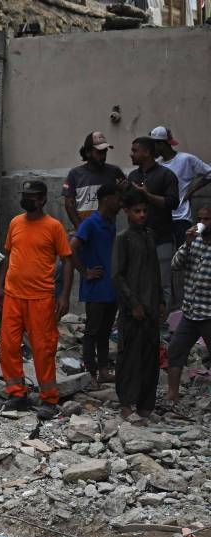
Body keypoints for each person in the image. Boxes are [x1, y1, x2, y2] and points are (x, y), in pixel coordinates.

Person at [0, 180, 73, 420]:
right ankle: (17, 394)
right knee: (8, 346)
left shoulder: (54, 227)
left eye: (32, 196)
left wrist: (64, 296)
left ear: (42, 199)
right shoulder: (15, 223)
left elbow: (67, 261)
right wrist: (0, 287)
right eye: (24, 195)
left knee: (43, 348)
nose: (27, 199)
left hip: (41, 298)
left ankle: (49, 398)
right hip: (13, 296)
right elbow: (9, 256)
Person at [112, 189, 163, 418]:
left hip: (151, 306)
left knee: (150, 356)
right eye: (137, 211)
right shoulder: (123, 238)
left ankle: (145, 405)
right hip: (133, 309)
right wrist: (133, 303)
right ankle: (126, 403)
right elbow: (117, 276)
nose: (142, 215)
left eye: (144, 210)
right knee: (129, 356)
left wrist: (160, 300)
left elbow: (155, 272)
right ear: (126, 212)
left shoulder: (149, 235)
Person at [70, 183, 120, 387]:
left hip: (111, 289)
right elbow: (72, 248)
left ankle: (103, 370)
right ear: (107, 199)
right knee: (92, 332)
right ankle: (90, 373)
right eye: (117, 198)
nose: (120, 202)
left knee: (105, 332)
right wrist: (85, 272)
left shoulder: (111, 223)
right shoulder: (90, 223)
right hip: (96, 289)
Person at [166, 207, 211, 408]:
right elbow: (175, 265)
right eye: (200, 219)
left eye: (207, 219)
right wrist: (187, 243)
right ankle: (172, 394)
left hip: (208, 313)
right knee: (175, 350)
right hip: (190, 312)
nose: (202, 222)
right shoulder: (194, 242)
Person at [127, 136, 179, 309]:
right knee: (138, 281)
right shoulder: (133, 176)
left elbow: (173, 203)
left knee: (162, 284)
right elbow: (128, 203)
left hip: (161, 239)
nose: (131, 154)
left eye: (135, 150)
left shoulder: (166, 175)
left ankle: (162, 326)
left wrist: (148, 196)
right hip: (137, 240)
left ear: (147, 152)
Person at [150, 126, 211, 247]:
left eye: (154, 144)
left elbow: (209, 173)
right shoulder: (157, 164)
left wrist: (192, 191)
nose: (152, 148)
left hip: (181, 218)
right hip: (163, 219)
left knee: (184, 253)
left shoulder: (186, 159)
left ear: (162, 144)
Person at [62, 131, 125, 229]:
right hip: (84, 231)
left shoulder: (114, 171)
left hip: (107, 230)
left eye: (105, 152)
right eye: (99, 152)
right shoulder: (74, 174)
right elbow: (69, 204)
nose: (103, 156)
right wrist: (80, 228)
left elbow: (125, 196)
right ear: (88, 153)